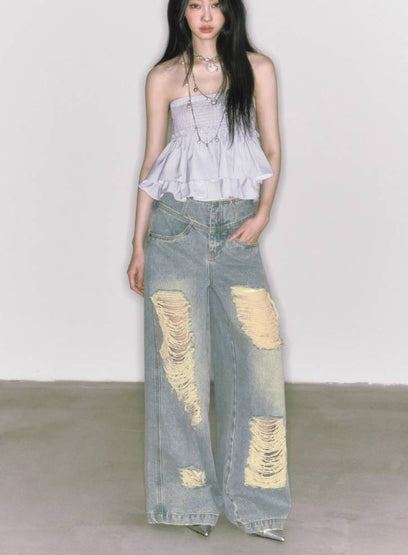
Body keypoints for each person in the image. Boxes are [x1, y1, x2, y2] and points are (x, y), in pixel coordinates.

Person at [127, 0, 292, 542]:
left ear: (228, 12)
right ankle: (186, 500)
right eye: (195, 4)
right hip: (174, 229)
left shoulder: (257, 68)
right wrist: (138, 245)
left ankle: (258, 504)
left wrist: (263, 214)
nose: (205, 14)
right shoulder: (163, 77)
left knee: (260, 357)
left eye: (214, 4)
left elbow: (272, 147)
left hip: (237, 229)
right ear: (181, 13)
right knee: (181, 367)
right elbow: (152, 161)